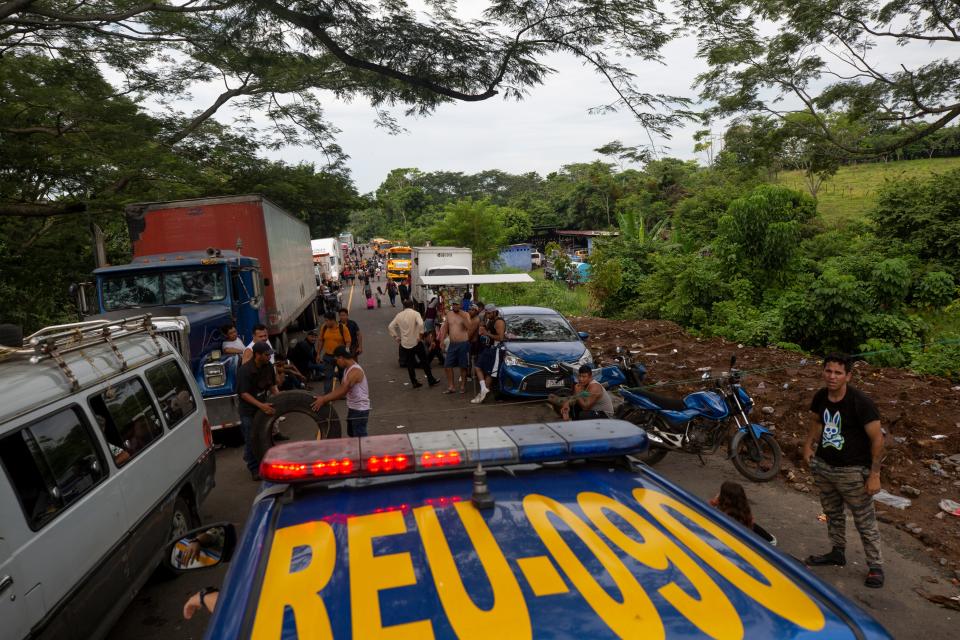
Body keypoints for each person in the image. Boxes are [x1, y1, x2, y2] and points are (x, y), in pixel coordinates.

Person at [803, 353, 885, 588]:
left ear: (848, 376)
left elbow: (878, 440)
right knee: (832, 512)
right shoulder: (821, 397)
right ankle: (837, 552)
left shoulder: (861, 403)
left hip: (852, 471)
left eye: (838, 372)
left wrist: (874, 474)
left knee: (864, 519)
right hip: (824, 465)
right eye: (828, 371)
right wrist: (808, 445)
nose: (832, 376)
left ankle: (875, 566)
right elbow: (817, 421)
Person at [237, 341, 277, 480]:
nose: (269, 357)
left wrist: (281, 401)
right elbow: (244, 394)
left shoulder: (268, 366)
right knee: (251, 438)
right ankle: (254, 468)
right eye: (266, 355)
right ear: (257, 355)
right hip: (249, 410)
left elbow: (272, 386)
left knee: (264, 435)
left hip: (263, 406)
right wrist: (261, 406)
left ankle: (260, 459)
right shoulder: (245, 371)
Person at [311, 346, 370, 437]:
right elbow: (342, 388)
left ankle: (364, 451)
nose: (336, 363)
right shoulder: (347, 369)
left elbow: (343, 391)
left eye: (336, 360)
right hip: (353, 408)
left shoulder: (354, 372)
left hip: (360, 410)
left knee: (360, 440)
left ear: (341, 358)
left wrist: (323, 399)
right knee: (352, 434)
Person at [389, 300, 440, 388]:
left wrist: (396, 337)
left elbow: (390, 326)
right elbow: (421, 324)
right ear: (412, 306)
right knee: (424, 362)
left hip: (405, 343)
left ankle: (414, 382)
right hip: (416, 342)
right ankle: (430, 379)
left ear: (404, 307)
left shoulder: (399, 315)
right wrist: (420, 335)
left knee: (410, 364)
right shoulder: (416, 313)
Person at [708, 481, 777, 545]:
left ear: (724, 498)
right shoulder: (743, 512)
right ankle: (769, 539)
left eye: (720, 492)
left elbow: (707, 511)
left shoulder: (719, 512)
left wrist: (714, 502)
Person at [471, 303, 506, 404]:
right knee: (478, 367)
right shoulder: (491, 320)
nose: (488, 314)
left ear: (494, 312)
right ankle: (483, 389)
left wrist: (487, 333)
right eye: (486, 313)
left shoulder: (499, 322)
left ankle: (482, 394)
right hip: (488, 348)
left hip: (496, 350)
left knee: (490, 373)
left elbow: (501, 338)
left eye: (489, 313)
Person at [441, 300, 471, 394]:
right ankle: (451, 386)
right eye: (453, 304)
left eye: (457, 304)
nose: (455, 306)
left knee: (463, 366)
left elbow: (469, 327)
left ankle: (462, 386)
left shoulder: (465, 314)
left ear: (460, 305)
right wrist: (442, 340)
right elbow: (445, 327)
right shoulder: (449, 314)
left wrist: (463, 317)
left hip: (463, 343)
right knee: (447, 365)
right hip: (452, 344)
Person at [317, 312, 351, 393]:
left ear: (333, 320)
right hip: (328, 357)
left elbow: (348, 342)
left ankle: (343, 393)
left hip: (340, 357)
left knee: (342, 375)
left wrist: (346, 354)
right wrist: (318, 354)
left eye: (327, 320)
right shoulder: (324, 327)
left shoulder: (343, 328)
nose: (325, 322)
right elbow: (321, 341)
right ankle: (328, 395)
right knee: (328, 376)